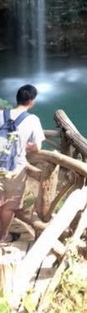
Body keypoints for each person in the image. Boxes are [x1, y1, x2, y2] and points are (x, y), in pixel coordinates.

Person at [0, 84, 45, 243]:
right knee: (8, 206)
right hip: (15, 170)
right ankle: (3, 237)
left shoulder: (1, 114)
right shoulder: (33, 120)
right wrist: (26, 146)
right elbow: (38, 148)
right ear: (31, 101)